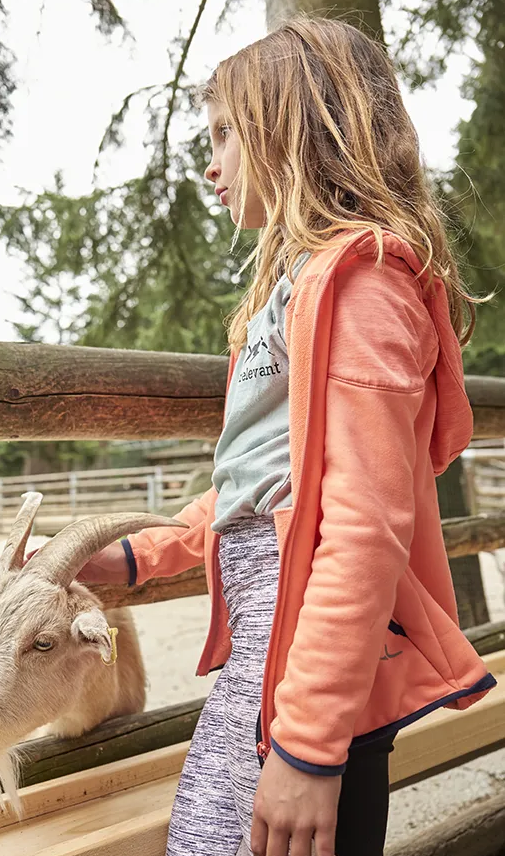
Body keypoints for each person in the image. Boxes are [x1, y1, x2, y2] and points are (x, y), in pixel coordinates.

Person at [74, 17, 497, 856]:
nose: (211, 161)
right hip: (282, 652)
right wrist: (133, 557)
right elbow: (264, 490)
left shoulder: (364, 283)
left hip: (310, 661)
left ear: (298, 126)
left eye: (227, 133)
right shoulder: (295, 292)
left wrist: (308, 745)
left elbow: (363, 524)